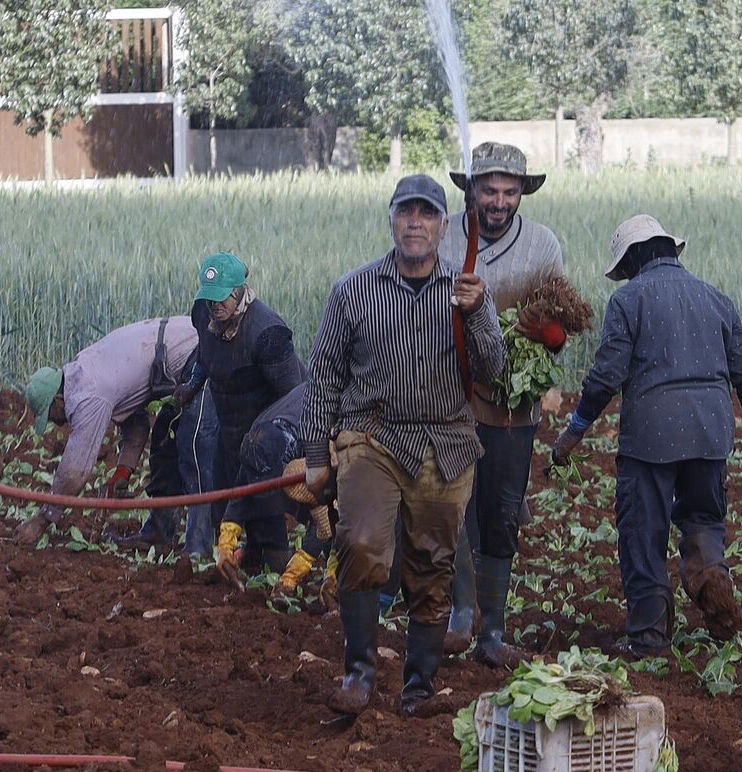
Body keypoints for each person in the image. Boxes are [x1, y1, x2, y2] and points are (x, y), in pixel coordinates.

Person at [301, 174, 505, 716]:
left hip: (447, 440)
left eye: (427, 213)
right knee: (362, 541)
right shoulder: (354, 290)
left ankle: (418, 687)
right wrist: (318, 457)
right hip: (374, 435)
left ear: (444, 226)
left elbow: (494, 371)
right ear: (391, 220)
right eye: (406, 212)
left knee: (433, 563)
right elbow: (324, 377)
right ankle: (359, 674)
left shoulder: (466, 290)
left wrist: (479, 313)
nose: (415, 222)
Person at [549, 215, 742, 656]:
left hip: (651, 436)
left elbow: (606, 376)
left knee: (641, 532)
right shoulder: (716, 298)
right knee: (704, 519)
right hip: (711, 432)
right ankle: (713, 587)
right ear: (669, 248)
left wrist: (573, 431)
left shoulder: (628, 300)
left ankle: (649, 635)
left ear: (633, 257)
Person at [435, 141, 566, 667]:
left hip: (512, 404)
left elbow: (557, 332)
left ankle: (493, 629)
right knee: (452, 507)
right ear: (471, 191)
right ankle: (459, 614)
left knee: (502, 514)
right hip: (447, 396)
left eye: (510, 192)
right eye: (489, 190)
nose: (499, 201)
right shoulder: (442, 236)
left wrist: (541, 331)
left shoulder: (542, 245)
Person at [15, 315, 201, 548]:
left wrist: (43, 519)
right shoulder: (85, 368)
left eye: (50, 416)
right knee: (165, 440)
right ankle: (159, 534)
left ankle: (199, 548)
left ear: (58, 400)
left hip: (196, 353)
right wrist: (120, 476)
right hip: (183, 351)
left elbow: (75, 472)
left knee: (194, 446)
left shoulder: (86, 394)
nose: (57, 424)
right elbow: (137, 424)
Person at [173, 252, 305, 580]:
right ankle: (240, 562)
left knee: (264, 506)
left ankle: (275, 569)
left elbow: (297, 394)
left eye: (221, 299)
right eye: (209, 299)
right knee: (225, 500)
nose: (214, 306)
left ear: (239, 293)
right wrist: (192, 384)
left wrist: (275, 445)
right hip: (229, 428)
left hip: (264, 434)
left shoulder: (268, 333)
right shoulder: (203, 314)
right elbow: (207, 353)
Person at [217, 382, 335, 593]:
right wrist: (226, 544)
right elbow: (241, 492)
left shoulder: (317, 446)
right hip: (297, 420)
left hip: (347, 431)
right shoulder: (258, 440)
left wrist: (294, 573)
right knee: (276, 562)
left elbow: (326, 521)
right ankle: (252, 551)